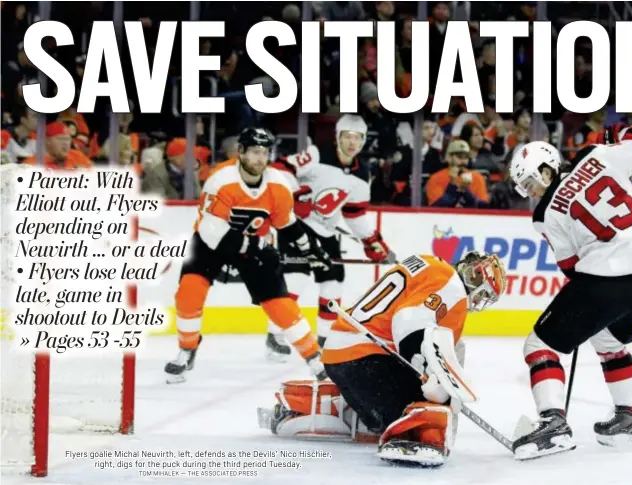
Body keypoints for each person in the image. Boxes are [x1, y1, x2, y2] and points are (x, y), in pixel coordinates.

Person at [508, 123, 632, 460]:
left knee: (540, 345)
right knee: (608, 340)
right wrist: (617, 135)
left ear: (546, 166)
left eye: (531, 182)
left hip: (609, 281)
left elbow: (569, 266)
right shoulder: (600, 156)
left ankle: (552, 423)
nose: (533, 192)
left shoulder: (546, 215)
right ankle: (628, 418)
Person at [259, 251, 507, 467]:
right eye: (481, 293)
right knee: (426, 412)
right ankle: (381, 424)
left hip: (342, 352)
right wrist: (430, 375)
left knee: (416, 403)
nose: (476, 299)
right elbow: (409, 322)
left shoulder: (431, 263)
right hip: (365, 358)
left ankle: (318, 407)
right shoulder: (453, 289)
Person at [164, 128, 332, 383]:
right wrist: (254, 247)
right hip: (211, 244)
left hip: (254, 244)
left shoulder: (278, 185)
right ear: (241, 152)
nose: (260, 159)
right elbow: (213, 233)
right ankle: (187, 349)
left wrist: (310, 249)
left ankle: (314, 357)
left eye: (264, 153)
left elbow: (287, 224)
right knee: (189, 293)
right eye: (254, 152)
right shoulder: (220, 180)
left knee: (279, 303)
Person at [266, 115, 395, 360]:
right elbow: (280, 169)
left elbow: (353, 213)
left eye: (357, 138)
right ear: (338, 137)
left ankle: (325, 340)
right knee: (296, 280)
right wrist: (294, 195)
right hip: (296, 225)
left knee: (333, 283)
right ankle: (275, 336)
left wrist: (371, 241)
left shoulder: (362, 174)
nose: (352, 142)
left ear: (364, 141)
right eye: (347, 136)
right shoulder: (316, 154)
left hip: (327, 232)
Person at [425, 140, 489, 207]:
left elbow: (483, 208)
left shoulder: (477, 177)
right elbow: (437, 209)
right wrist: (452, 184)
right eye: (459, 157)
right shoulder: (436, 178)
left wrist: (465, 191)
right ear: (449, 158)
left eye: (466, 157)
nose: (463, 161)